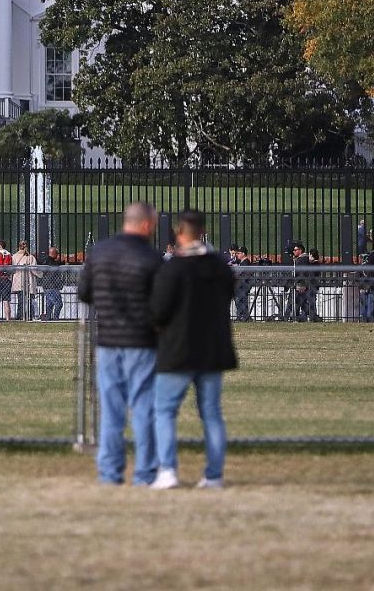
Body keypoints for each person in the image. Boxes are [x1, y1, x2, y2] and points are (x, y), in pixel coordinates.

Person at [76, 201, 164, 486]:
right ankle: (145, 473)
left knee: (111, 411)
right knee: (144, 408)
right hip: (142, 341)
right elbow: (162, 304)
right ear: (147, 224)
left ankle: (110, 472)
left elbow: (85, 292)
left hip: (108, 340)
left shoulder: (99, 252)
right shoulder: (152, 259)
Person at [149, 208, 237, 490]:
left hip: (178, 348)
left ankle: (168, 471)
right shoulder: (219, 266)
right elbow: (229, 294)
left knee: (164, 410)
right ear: (203, 231)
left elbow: (158, 310)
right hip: (212, 348)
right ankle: (214, 475)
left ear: (180, 231)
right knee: (211, 412)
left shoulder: (173, 267)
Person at [357, 242, 374, 323]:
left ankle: (364, 318)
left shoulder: (361, 267)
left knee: (364, 304)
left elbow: (357, 278)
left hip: (364, 286)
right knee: (370, 303)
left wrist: (360, 286)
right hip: (371, 285)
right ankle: (370, 318)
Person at [37, 245, 66, 320]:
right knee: (59, 304)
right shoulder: (49, 261)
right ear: (54, 253)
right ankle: (55, 318)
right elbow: (54, 266)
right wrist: (61, 262)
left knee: (50, 304)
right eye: (57, 253)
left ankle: (48, 318)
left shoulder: (46, 260)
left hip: (48, 286)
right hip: (52, 286)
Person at [289, 243, 316, 322]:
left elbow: (302, 272)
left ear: (300, 250)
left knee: (299, 301)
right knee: (303, 302)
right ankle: (304, 317)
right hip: (303, 284)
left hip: (301, 284)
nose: (293, 252)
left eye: (295, 250)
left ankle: (297, 317)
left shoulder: (302, 259)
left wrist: (301, 284)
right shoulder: (302, 259)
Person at [11, 240, 38, 320]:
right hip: (28, 281)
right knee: (30, 300)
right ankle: (29, 316)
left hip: (18, 281)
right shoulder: (30, 257)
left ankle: (20, 316)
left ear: (18, 246)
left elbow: (12, 269)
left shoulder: (14, 257)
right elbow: (34, 270)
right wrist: (41, 274)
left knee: (20, 300)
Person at [228, 246, 252, 322]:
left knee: (241, 301)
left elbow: (241, 274)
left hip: (243, 286)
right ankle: (241, 316)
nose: (237, 255)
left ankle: (243, 317)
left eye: (238, 253)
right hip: (240, 286)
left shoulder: (245, 262)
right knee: (239, 302)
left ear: (243, 254)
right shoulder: (241, 262)